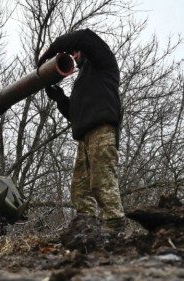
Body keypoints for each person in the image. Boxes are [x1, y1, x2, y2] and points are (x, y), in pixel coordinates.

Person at [37, 29, 127, 235]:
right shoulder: (82, 82)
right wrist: (60, 98)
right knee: (80, 189)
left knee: (102, 181)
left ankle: (114, 226)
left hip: (102, 131)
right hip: (84, 138)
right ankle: (86, 229)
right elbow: (75, 115)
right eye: (73, 53)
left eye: (76, 52)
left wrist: (53, 49)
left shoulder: (103, 64)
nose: (75, 56)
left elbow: (85, 37)